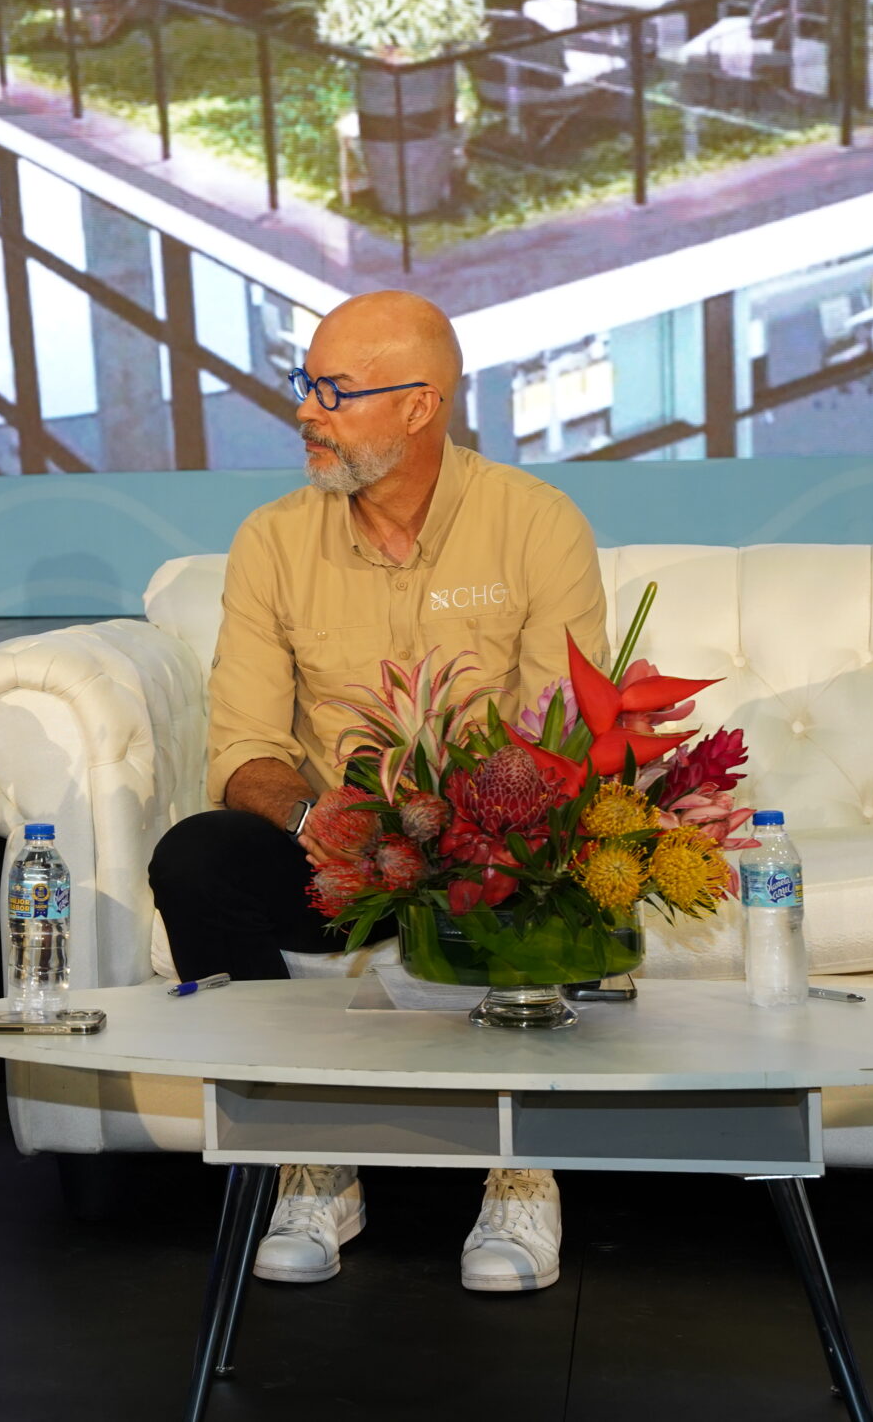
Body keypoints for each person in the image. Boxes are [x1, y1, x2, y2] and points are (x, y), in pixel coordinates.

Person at [148, 290, 608, 1294]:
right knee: (197, 856)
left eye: (334, 391)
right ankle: (310, 1161)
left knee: (558, 849)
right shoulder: (273, 539)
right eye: (304, 385)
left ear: (419, 405)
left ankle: (521, 1175)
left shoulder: (536, 524)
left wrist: (471, 830)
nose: (306, 412)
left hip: (485, 847)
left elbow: (564, 737)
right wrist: (312, 816)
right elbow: (244, 747)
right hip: (340, 855)